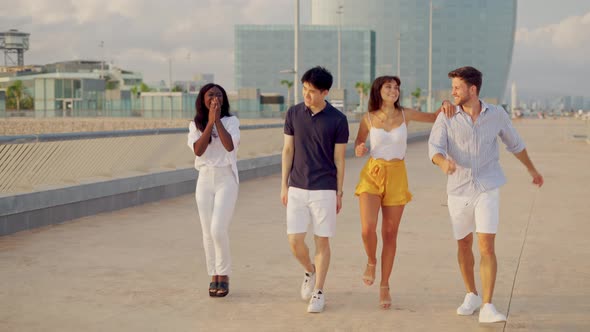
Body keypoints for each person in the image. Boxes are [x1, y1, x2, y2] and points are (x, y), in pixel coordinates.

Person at [428, 66, 543, 323]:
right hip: (458, 190)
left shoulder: (497, 115)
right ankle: (472, 294)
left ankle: (488, 305)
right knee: (464, 244)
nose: (453, 92)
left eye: (457, 87)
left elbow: (516, 144)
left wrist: (532, 169)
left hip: (487, 187)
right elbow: (434, 147)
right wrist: (442, 162)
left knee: (486, 245)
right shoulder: (446, 115)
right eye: (452, 88)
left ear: (473, 89)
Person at [354, 75, 453, 309]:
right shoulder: (367, 118)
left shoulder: (406, 114)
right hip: (373, 172)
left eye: (397, 87)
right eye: (388, 86)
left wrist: (446, 105)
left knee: (390, 234)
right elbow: (359, 143)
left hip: (397, 175)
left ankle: (385, 285)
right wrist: (359, 148)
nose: (394, 90)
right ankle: (371, 260)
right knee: (368, 229)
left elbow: (435, 117)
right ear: (378, 90)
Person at [281, 66, 349, 313]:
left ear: (325, 92)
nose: (306, 95)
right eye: (304, 90)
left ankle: (319, 291)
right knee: (294, 241)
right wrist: (284, 185)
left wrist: (339, 192)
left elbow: (340, 159)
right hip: (296, 187)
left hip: (324, 188)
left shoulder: (338, 120)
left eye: (311, 91)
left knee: (322, 240)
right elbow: (288, 151)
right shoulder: (293, 113)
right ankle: (309, 270)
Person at [187, 83, 240, 298]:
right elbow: (199, 150)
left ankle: (224, 274)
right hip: (205, 178)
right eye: (210, 95)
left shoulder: (232, 121)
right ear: (203, 99)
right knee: (207, 232)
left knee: (218, 229)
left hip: (226, 178)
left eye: (219, 95)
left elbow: (229, 146)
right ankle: (214, 275)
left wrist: (217, 120)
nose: (215, 98)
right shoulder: (195, 124)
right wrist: (209, 122)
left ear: (224, 100)